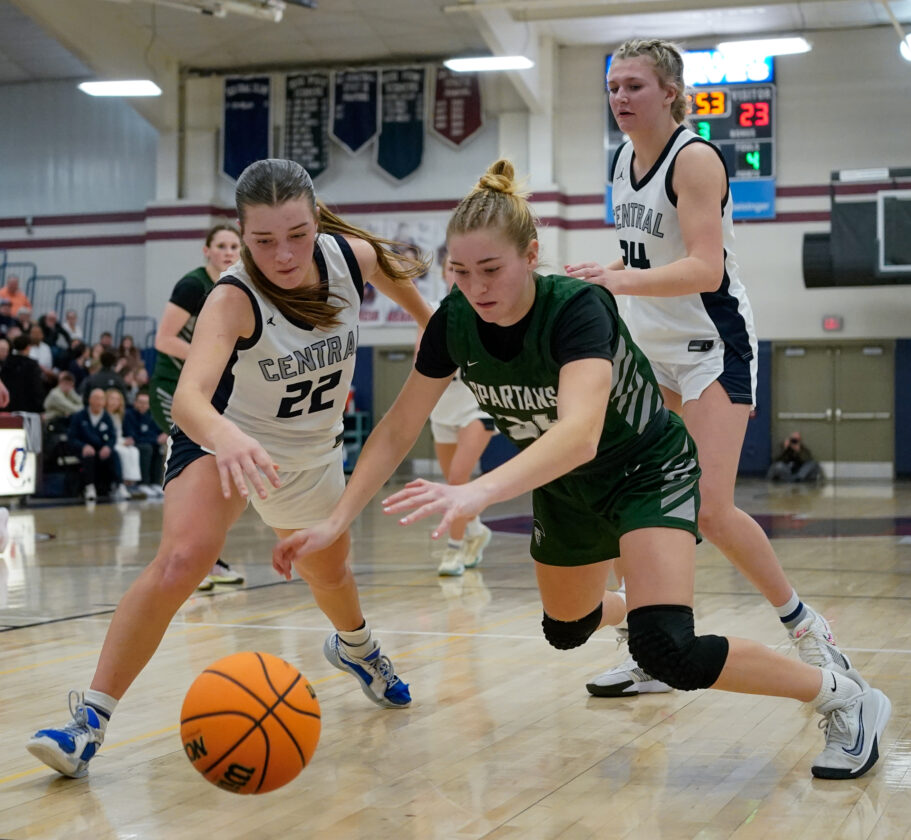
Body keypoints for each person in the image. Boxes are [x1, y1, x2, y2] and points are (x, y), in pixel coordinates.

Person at [273, 158, 890, 781]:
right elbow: (397, 428)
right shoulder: (453, 323)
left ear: (530, 255)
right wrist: (335, 520)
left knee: (668, 648)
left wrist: (478, 490)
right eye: (459, 272)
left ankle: (843, 697)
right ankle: (639, 611)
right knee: (566, 628)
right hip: (566, 486)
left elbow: (579, 434)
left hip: (646, 467)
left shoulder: (577, 307)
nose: (475, 287)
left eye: (491, 269)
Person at [27, 157, 433, 779]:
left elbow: (406, 294)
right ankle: (89, 722)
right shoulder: (232, 297)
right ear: (241, 235)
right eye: (263, 240)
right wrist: (228, 437)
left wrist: (439, 332)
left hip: (308, 449)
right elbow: (189, 400)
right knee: (182, 559)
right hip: (219, 438)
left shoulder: (353, 259)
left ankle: (357, 648)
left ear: (317, 221)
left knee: (330, 571)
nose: (283, 254)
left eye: (297, 234)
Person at [564, 38, 849, 697]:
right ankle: (649, 647)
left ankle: (805, 625)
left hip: (710, 347)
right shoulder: (620, 160)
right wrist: (616, 279)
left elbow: (703, 268)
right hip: (650, 348)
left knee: (710, 510)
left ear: (669, 92)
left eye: (634, 85)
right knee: (639, 502)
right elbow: (648, 253)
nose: (619, 97)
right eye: (613, 86)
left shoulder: (692, 159)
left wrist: (617, 280)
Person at [150, 223, 246, 588]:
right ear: (206, 251)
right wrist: (208, 358)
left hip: (211, 391)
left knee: (215, 468)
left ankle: (203, 558)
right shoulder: (193, 285)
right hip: (174, 386)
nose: (228, 251)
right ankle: (181, 558)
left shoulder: (239, 285)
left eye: (234, 245)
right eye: (220, 245)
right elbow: (164, 339)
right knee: (189, 466)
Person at [425, 257, 495, 576]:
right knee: (456, 483)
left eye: (464, 270)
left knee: (456, 480)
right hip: (442, 407)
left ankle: (453, 549)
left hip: (477, 405)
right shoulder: (431, 310)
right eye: (454, 269)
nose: (458, 275)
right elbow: (420, 358)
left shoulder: (486, 307)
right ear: (443, 273)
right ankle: (476, 530)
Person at [68, 387, 131, 503]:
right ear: (90, 400)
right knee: (89, 456)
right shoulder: (79, 416)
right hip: (83, 449)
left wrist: (108, 447)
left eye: (102, 399)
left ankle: (120, 485)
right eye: (96, 398)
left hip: (101, 449)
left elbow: (112, 437)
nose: (99, 402)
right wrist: (83, 446)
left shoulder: (107, 417)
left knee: (114, 454)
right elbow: (72, 438)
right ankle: (89, 487)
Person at [123, 390, 167, 498]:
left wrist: (164, 434)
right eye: (140, 402)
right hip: (134, 444)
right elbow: (133, 436)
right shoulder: (129, 415)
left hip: (148, 443)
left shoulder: (152, 415)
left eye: (146, 403)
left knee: (159, 448)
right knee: (147, 448)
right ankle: (143, 483)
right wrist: (154, 439)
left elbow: (158, 432)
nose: (143, 405)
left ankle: (155, 483)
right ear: (135, 403)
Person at [105, 388, 142, 494]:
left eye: (117, 399)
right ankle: (122, 483)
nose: (115, 402)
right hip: (109, 442)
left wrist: (126, 440)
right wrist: (121, 442)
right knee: (123, 452)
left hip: (118, 441)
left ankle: (132, 482)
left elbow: (119, 434)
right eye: (112, 399)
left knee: (134, 450)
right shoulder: (104, 415)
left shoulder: (118, 416)